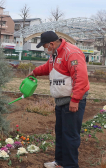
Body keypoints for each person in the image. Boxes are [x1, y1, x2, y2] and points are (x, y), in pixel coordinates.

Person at [27, 31, 89, 168]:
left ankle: (70, 165)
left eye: (44, 46)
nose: (44, 49)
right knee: (60, 134)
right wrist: (35, 72)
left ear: (51, 44)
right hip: (61, 101)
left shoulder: (71, 52)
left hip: (71, 101)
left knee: (70, 136)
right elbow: (48, 67)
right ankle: (60, 163)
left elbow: (80, 77)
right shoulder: (54, 54)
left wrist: (75, 99)